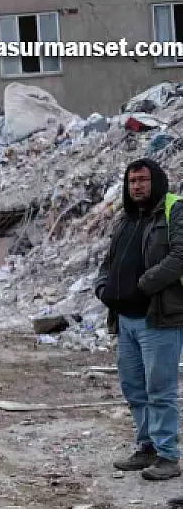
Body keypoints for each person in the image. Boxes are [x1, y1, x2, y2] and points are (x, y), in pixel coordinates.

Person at [95, 158, 183, 482]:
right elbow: (109, 260)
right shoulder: (126, 219)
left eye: (143, 180)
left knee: (160, 389)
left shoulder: (174, 211)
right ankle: (145, 447)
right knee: (134, 388)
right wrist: (102, 286)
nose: (137, 187)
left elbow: (180, 256)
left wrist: (143, 285)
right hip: (126, 320)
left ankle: (167, 456)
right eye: (132, 182)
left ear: (155, 181)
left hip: (158, 319)